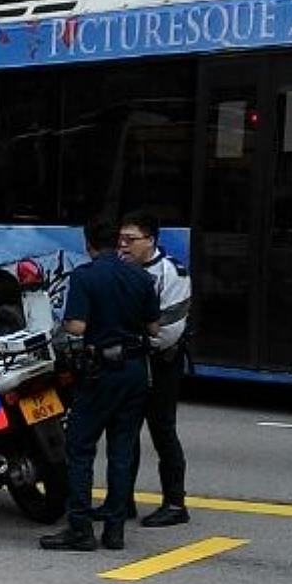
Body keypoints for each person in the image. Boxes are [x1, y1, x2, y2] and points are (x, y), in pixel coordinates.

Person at [40, 216, 159, 552]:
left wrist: (66, 321)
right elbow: (153, 328)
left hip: (100, 372)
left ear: (89, 244)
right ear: (117, 242)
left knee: (80, 448)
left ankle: (80, 528)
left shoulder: (85, 275)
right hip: (136, 371)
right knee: (122, 452)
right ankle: (115, 530)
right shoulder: (141, 276)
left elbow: (77, 327)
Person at [91, 210, 192, 528]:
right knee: (123, 432)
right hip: (130, 361)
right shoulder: (120, 269)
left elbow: (169, 329)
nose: (123, 246)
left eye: (130, 240)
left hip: (160, 363)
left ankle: (175, 504)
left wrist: (131, 339)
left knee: (162, 429)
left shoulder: (172, 272)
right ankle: (120, 501)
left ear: (150, 240)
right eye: (120, 239)